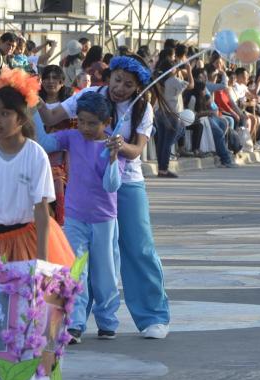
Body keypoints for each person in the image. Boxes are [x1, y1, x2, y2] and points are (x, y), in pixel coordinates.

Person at [37, 55, 172, 339]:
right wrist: (26, 91)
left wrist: (119, 146)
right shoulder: (88, 94)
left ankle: (152, 316)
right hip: (88, 188)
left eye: (128, 84)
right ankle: (75, 320)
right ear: (108, 76)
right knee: (79, 257)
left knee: (139, 249)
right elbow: (50, 118)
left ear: (138, 87)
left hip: (127, 183)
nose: (120, 88)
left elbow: (137, 150)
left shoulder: (141, 108)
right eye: (117, 80)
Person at [0, 67, 74, 267]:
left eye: (5, 113)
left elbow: (42, 209)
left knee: (28, 298)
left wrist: (42, 259)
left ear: (21, 118)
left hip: (27, 242)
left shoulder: (35, 155)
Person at [35, 92, 124, 343]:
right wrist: (35, 107)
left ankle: (107, 320)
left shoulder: (114, 144)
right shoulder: (72, 138)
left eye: (92, 123)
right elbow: (43, 141)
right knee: (75, 269)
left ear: (106, 123)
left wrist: (114, 158)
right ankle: (74, 323)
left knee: (105, 273)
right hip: (75, 217)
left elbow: (112, 185)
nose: (85, 127)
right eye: (81, 121)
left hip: (105, 219)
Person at [38, 65, 75, 225]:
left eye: (55, 78)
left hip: (63, 160)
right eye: (47, 78)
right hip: (39, 157)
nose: (50, 81)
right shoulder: (35, 103)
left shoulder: (69, 105)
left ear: (61, 82)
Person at [156, 56, 194, 177]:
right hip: (172, 115)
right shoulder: (174, 81)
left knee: (161, 142)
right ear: (171, 69)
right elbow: (191, 85)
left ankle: (161, 168)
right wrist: (189, 70)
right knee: (167, 142)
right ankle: (164, 169)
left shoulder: (159, 80)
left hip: (160, 113)